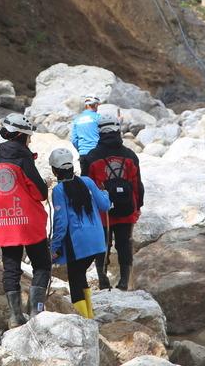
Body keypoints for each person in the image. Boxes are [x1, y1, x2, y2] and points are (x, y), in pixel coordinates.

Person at [0, 113, 50, 328]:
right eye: (28, 137)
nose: (30, 141)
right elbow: (40, 193)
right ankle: (36, 311)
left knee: (10, 268)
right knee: (41, 264)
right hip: (28, 221)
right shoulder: (23, 158)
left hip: (4, 221)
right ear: (21, 135)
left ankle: (15, 316)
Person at [82, 115, 144, 291]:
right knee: (124, 243)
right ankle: (124, 281)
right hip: (127, 210)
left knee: (102, 245)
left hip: (102, 214)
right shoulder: (130, 156)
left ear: (99, 131)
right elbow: (137, 185)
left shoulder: (91, 157)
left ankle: (103, 279)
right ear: (118, 130)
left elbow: (86, 186)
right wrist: (138, 207)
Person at [48, 148, 109, 319]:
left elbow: (62, 222)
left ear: (54, 170)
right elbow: (104, 205)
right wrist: (105, 192)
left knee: (75, 278)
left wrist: (54, 246)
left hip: (78, 244)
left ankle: (84, 318)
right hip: (98, 242)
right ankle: (89, 314)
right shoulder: (88, 181)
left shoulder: (59, 190)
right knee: (80, 274)